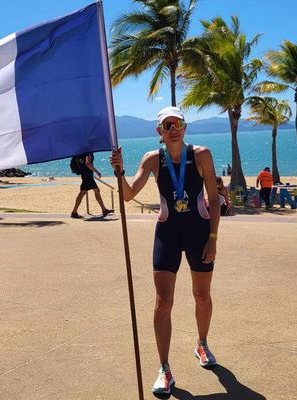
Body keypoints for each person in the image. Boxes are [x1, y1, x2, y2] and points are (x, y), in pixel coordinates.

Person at [110, 106, 220, 396]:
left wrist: (213, 237)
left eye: (177, 123)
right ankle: (164, 368)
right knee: (164, 301)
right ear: (159, 131)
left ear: (185, 126)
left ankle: (202, 343)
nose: (173, 128)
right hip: (168, 234)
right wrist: (119, 171)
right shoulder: (152, 159)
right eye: (167, 125)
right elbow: (128, 193)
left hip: (199, 234)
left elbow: (214, 198)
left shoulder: (202, 155)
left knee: (201, 295)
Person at [70, 152, 113, 218]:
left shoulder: (81, 153)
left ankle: (104, 210)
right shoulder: (88, 152)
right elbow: (88, 163)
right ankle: (74, 212)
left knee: (95, 191)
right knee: (82, 193)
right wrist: (97, 171)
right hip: (88, 176)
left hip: (85, 175)